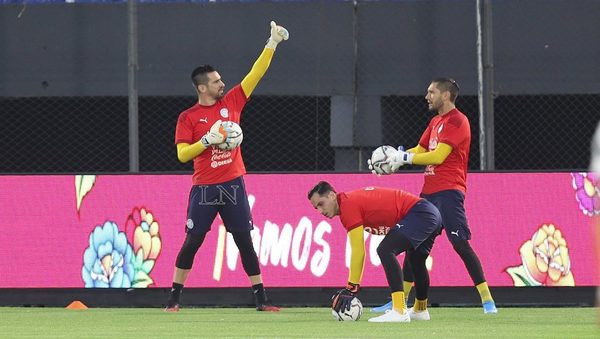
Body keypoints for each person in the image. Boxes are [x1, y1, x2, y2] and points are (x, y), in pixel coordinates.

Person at [165, 21, 289, 312]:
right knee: (193, 241)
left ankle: (261, 299)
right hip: (205, 188)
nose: (223, 83)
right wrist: (207, 140)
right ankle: (173, 298)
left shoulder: (232, 100)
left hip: (233, 184)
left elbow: (255, 73)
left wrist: (271, 43)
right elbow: (183, 154)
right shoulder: (188, 117)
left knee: (244, 240)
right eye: (217, 81)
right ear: (202, 87)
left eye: (221, 80)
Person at [368, 78, 498, 314]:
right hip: (428, 193)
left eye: (431, 92)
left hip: (449, 192)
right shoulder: (435, 121)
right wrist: (392, 159)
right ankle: (401, 302)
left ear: (446, 95)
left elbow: (438, 156)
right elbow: (421, 149)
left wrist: (404, 159)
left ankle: (487, 300)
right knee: (414, 247)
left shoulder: (458, 121)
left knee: (460, 243)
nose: (427, 96)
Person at [308, 181, 442, 322]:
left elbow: (358, 250)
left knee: (385, 250)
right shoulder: (348, 202)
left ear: (331, 195)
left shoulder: (347, 206)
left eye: (321, 204)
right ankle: (420, 309)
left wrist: (352, 286)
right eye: (316, 208)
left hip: (421, 213)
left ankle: (399, 310)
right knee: (416, 260)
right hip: (429, 213)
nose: (320, 211)